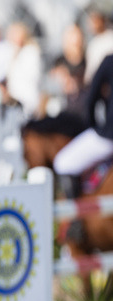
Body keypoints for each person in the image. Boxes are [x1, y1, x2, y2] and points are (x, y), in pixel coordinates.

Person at [53, 52, 113, 198]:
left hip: (109, 136)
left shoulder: (109, 61)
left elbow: (91, 99)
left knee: (62, 163)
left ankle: (74, 211)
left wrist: (93, 127)